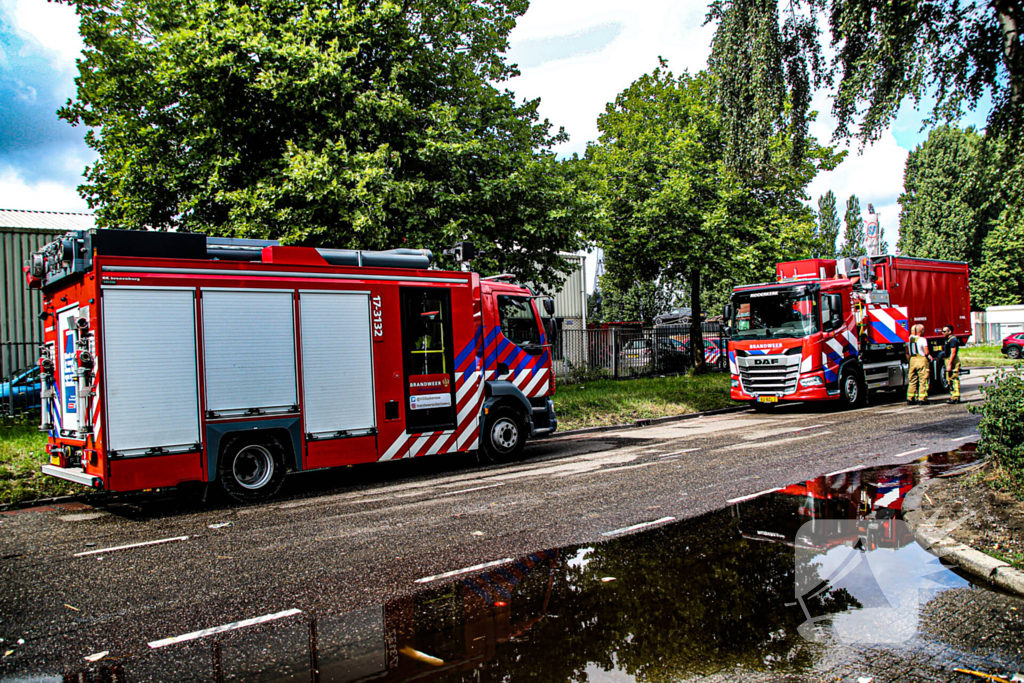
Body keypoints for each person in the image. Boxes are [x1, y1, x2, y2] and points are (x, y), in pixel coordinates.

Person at [906, 324, 932, 405]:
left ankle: (910, 398)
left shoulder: (908, 340)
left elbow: (907, 352)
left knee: (912, 380)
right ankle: (922, 399)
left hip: (912, 360)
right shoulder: (922, 340)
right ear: (920, 331)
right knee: (923, 380)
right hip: (921, 360)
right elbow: (926, 351)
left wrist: (909, 361)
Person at [940, 325, 961, 404]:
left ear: (950, 332)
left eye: (944, 331)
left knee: (953, 378)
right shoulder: (949, 340)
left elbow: (953, 353)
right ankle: (953, 396)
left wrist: (949, 364)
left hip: (951, 360)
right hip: (948, 359)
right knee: (949, 379)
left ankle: (955, 397)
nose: (943, 333)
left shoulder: (953, 340)